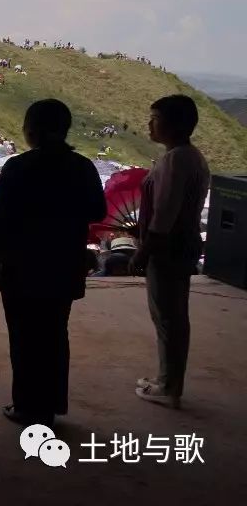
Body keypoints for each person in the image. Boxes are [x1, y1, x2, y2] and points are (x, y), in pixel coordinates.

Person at [0, 100, 105, 427]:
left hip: (21, 264)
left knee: (23, 336)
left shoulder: (18, 167)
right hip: (63, 263)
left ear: (31, 129)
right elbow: (97, 211)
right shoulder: (82, 167)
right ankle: (50, 406)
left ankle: (26, 405)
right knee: (54, 334)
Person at [132, 95, 211, 409]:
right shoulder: (190, 156)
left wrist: (144, 249)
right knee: (173, 315)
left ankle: (169, 384)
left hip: (169, 246)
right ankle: (168, 377)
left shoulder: (176, 159)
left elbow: (165, 212)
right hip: (181, 242)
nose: (149, 123)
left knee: (168, 316)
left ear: (175, 124)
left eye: (155, 117)